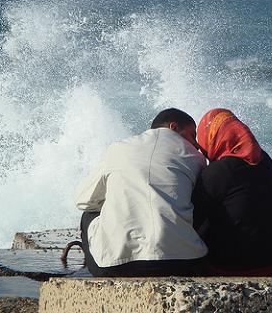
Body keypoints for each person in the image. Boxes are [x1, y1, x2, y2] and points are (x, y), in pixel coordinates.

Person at [75, 108, 208, 277]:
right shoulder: (197, 158)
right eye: (192, 135)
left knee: (89, 214)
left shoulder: (119, 148)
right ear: (174, 127)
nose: (196, 143)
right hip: (182, 262)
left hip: (113, 267)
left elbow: (82, 201)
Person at [192, 108, 272, 275]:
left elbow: (194, 219)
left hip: (239, 264)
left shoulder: (217, 171)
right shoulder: (265, 161)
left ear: (212, 138)